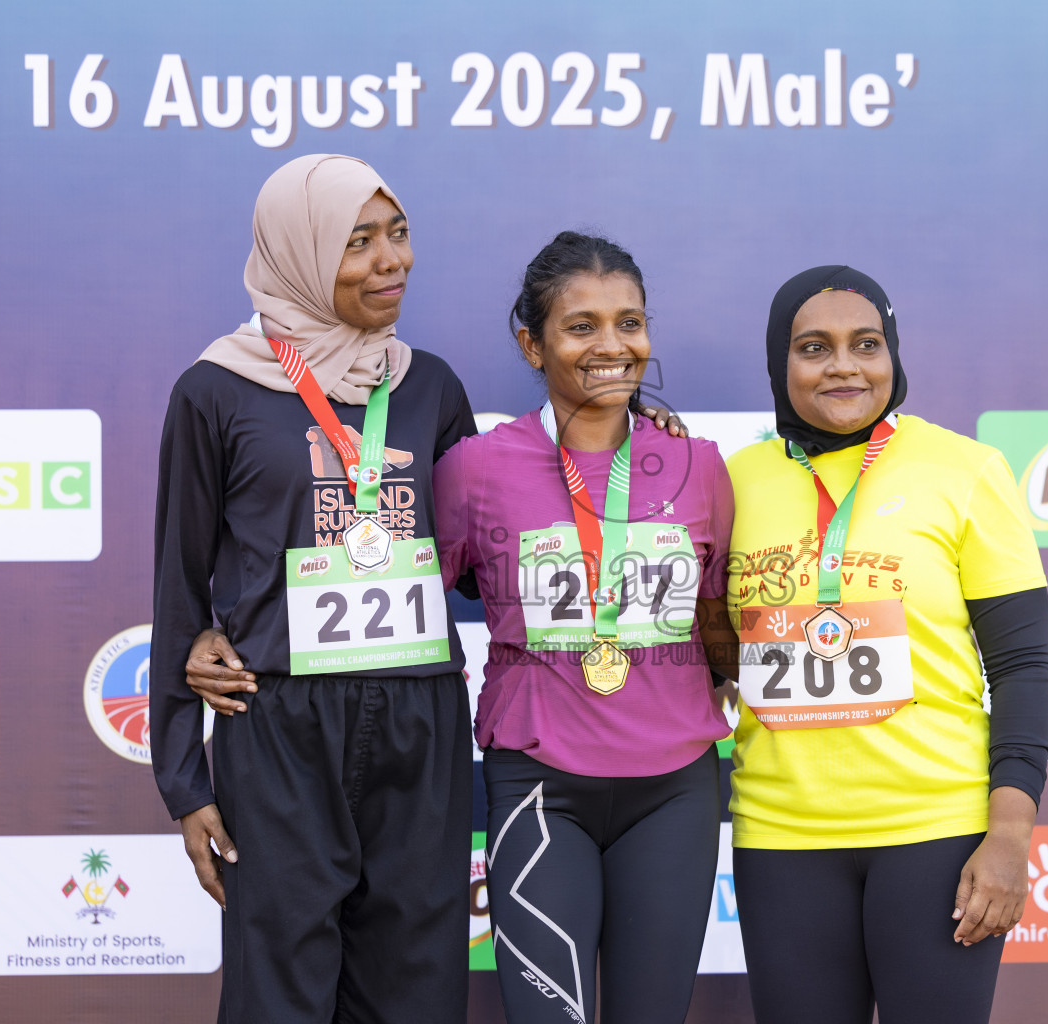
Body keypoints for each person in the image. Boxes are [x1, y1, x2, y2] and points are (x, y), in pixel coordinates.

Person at [149, 154, 480, 1024]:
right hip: (280, 720)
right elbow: (179, 588)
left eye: (398, 235)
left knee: (416, 984)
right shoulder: (216, 390)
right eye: (357, 242)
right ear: (298, 252)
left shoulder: (432, 385)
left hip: (420, 717)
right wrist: (183, 780)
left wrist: (630, 433)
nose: (391, 261)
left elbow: (483, 548)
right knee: (280, 986)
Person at [706, 266, 1048, 1024]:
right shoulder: (733, 482)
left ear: (893, 354)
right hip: (782, 838)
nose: (843, 365)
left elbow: (1024, 667)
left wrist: (1009, 836)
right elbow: (714, 648)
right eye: (813, 347)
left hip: (937, 835)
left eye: (866, 344)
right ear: (779, 363)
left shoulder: (964, 471)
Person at [430, 231, 733, 1024]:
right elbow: (423, 589)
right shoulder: (475, 468)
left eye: (629, 324)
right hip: (538, 783)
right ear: (532, 344)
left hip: (676, 790)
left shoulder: (700, 464)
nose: (612, 346)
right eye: (582, 326)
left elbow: (716, 616)